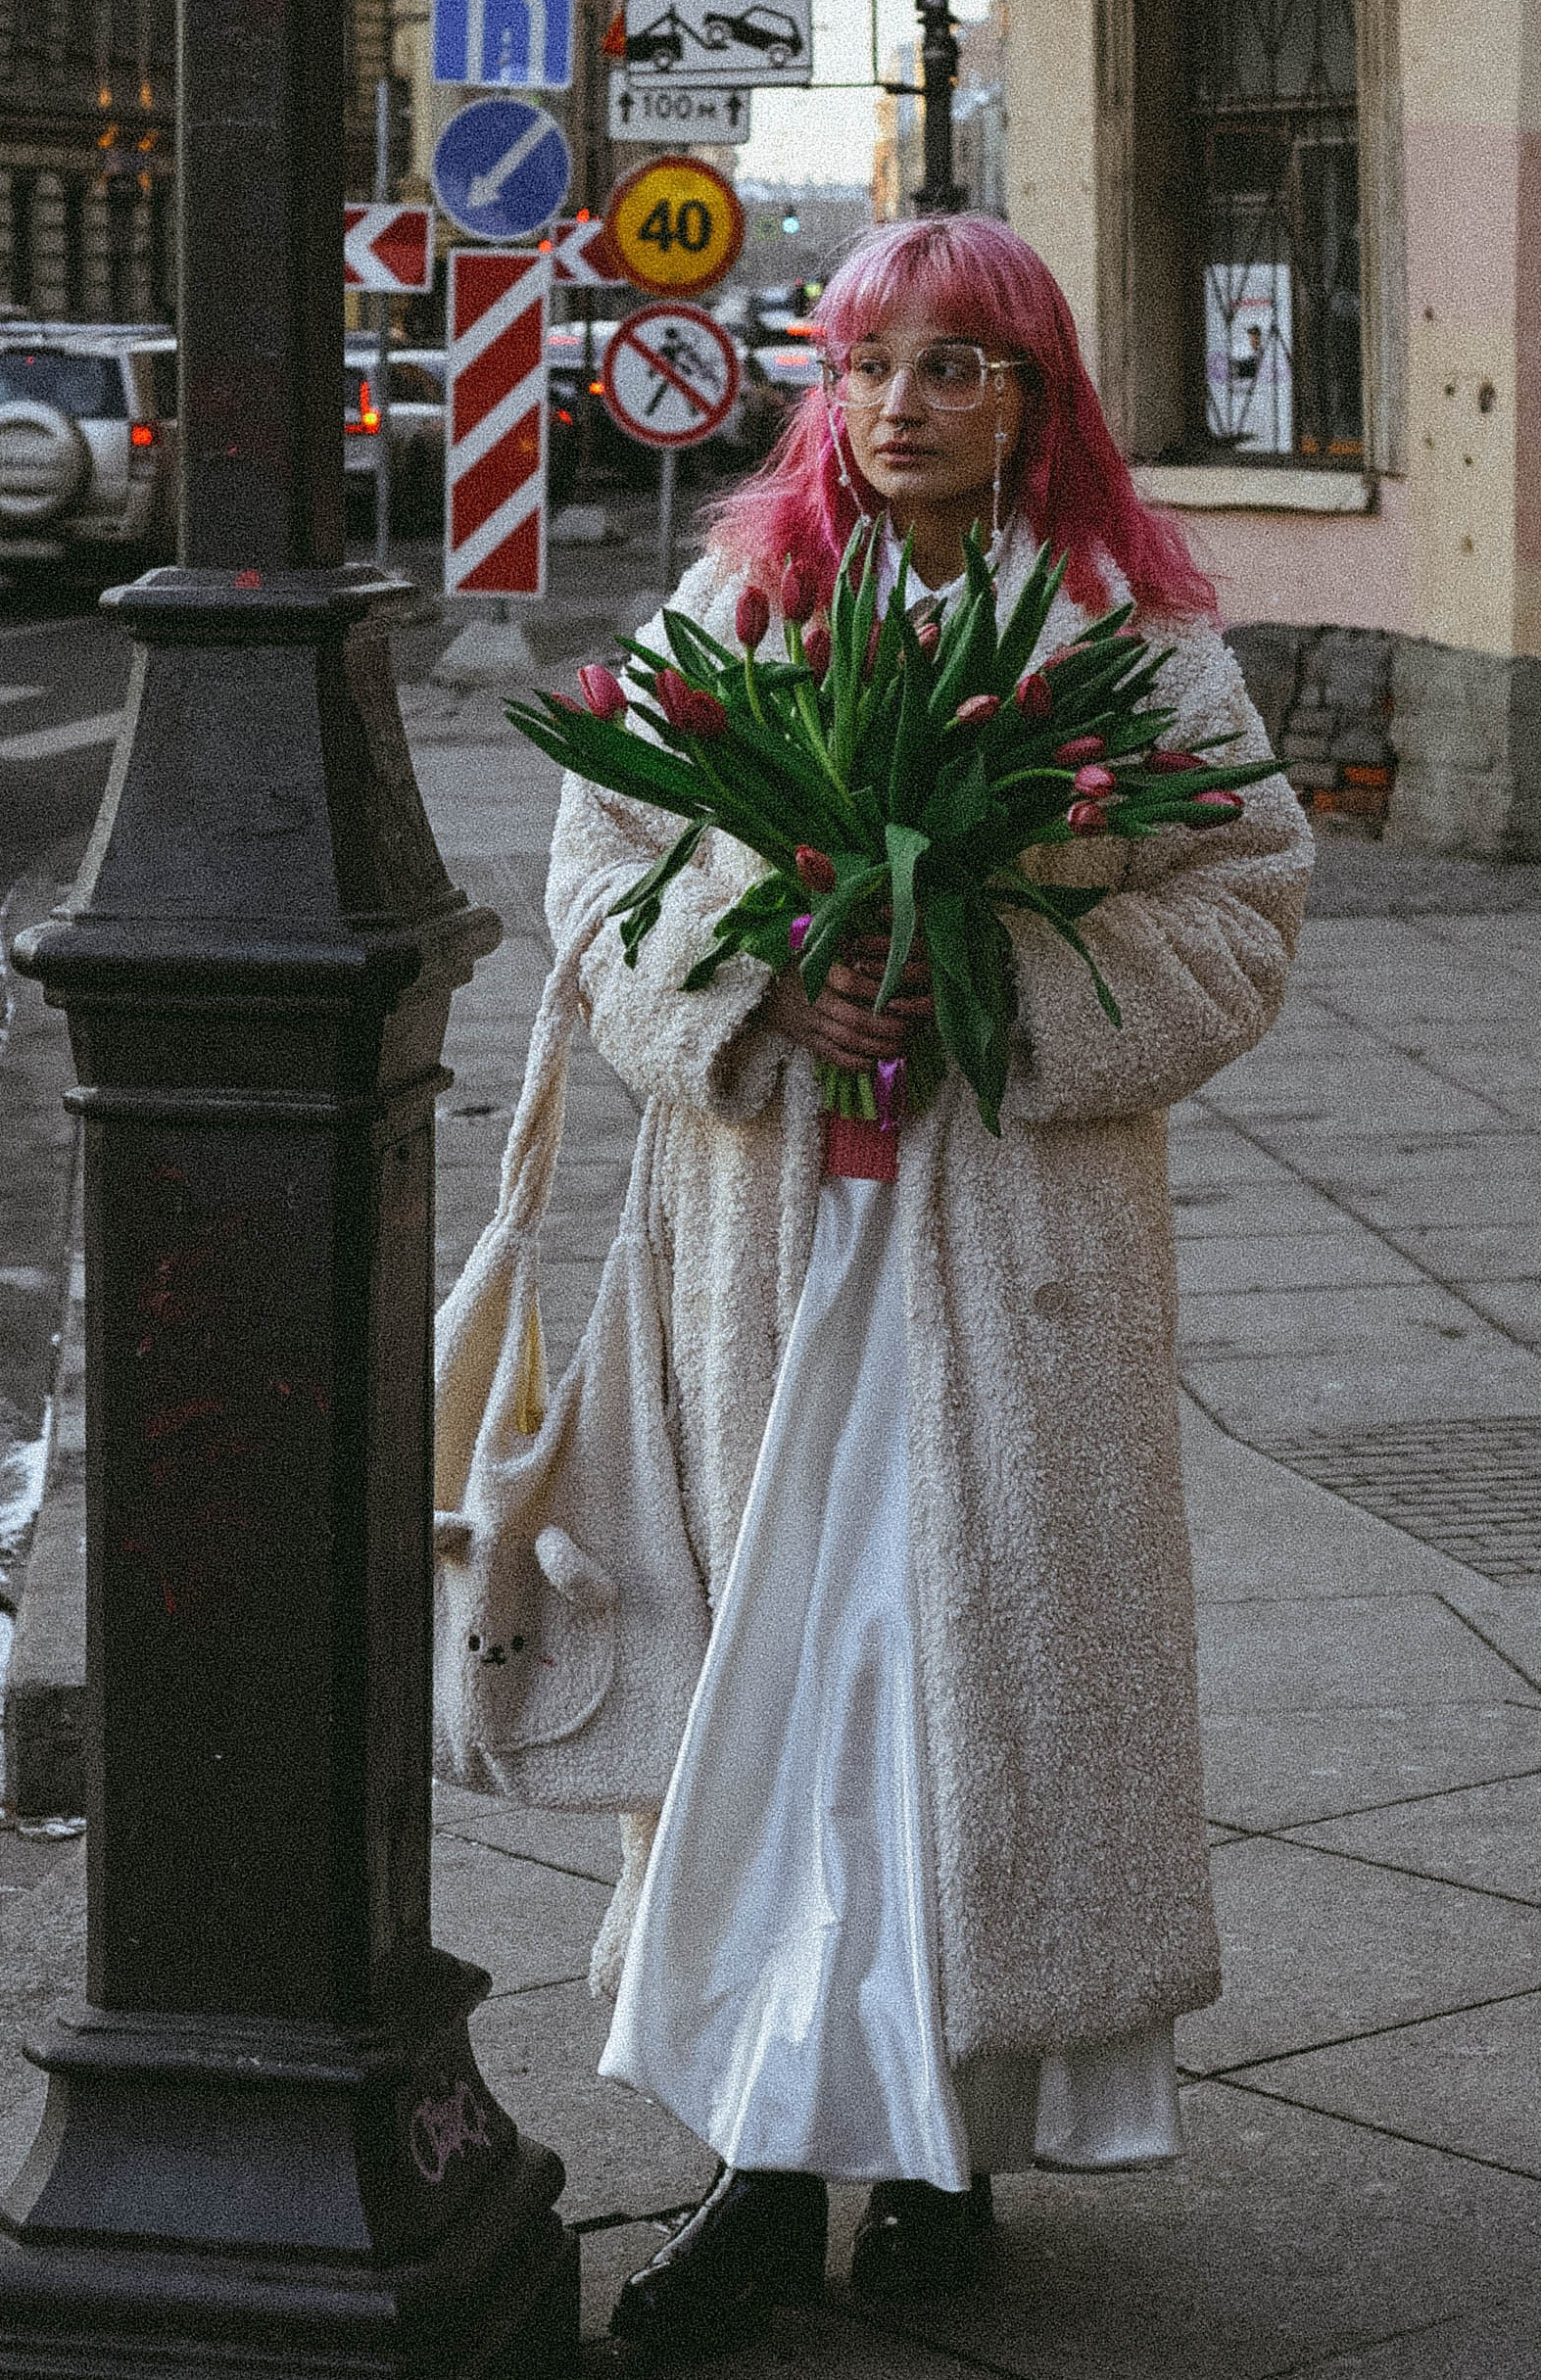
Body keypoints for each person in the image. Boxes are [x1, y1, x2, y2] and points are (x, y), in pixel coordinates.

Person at [539, 215, 1313, 2359]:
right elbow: (599, 875)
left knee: (955, 1685)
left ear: (1035, 399)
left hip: (1013, 1260)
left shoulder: (1126, 639)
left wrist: (998, 979)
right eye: (870, 361)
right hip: (772, 1248)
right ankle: (766, 2168)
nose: (904, 403)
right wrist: (765, 983)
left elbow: (1246, 898)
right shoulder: (745, 604)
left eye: (959, 364)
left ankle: (948, 2137)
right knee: (780, 1681)